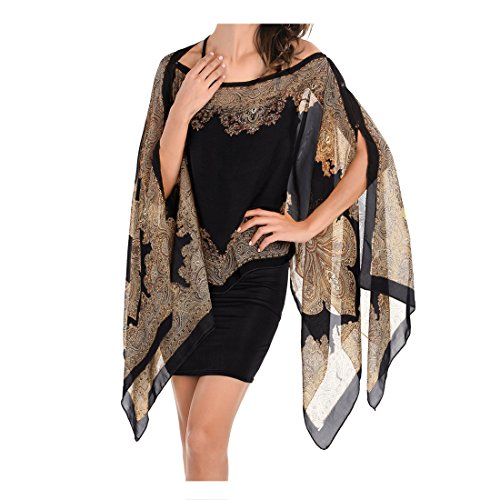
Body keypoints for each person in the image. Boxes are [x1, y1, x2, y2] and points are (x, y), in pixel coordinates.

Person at [122, 23, 415, 481]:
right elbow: (159, 186)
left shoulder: (302, 64)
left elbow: (370, 154)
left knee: (203, 436)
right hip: (187, 278)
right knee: (192, 443)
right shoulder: (178, 69)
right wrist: (180, 112)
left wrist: (306, 226)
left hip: (255, 278)